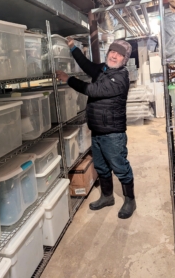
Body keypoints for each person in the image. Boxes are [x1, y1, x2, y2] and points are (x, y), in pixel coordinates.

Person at [56, 37, 136, 219]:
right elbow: (87, 65)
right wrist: (73, 47)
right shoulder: (103, 70)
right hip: (97, 131)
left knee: (120, 167)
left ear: (124, 59)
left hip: (113, 134)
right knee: (101, 167)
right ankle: (107, 197)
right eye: (112, 51)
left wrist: (69, 79)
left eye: (119, 54)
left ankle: (130, 200)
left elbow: (92, 90)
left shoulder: (120, 78)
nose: (114, 55)